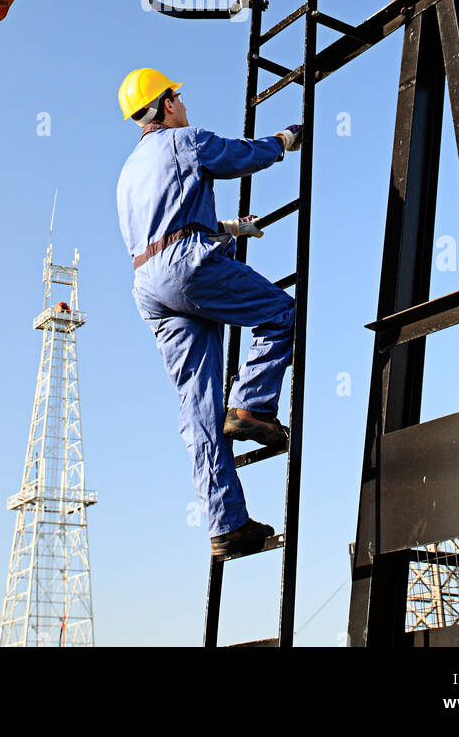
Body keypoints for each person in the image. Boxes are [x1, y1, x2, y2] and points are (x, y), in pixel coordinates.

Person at [115, 66, 302, 560]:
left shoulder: (129, 172)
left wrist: (228, 230)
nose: (182, 104)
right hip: (186, 267)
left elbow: (164, 228)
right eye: (178, 96)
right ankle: (252, 407)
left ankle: (227, 526)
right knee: (281, 313)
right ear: (168, 103)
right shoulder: (185, 142)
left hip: (150, 286)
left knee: (198, 407)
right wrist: (284, 139)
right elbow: (240, 155)